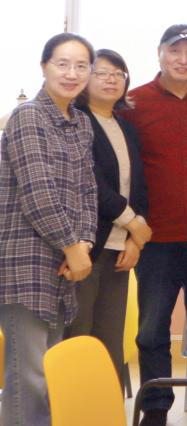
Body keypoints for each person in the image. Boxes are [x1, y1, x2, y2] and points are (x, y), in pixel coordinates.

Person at [121, 24, 187, 426]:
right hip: (155, 237)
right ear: (160, 53)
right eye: (175, 51)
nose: (183, 60)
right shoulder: (135, 102)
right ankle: (156, 407)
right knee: (153, 329)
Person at [0, 33, 97, 426]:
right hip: (26, 262)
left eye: (81, 66)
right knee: (29, 376)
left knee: (49, 368)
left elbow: (88, 190)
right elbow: (37, 192)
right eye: (62, 64)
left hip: (64, 262)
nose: (71, 73)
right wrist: (72, 246)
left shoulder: (81, 123)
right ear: (44, 66)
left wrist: (84, 244)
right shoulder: (28, 116)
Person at [68, 49, 151, 389]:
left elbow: (140, 185)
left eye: (118, 74)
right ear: (86, 79)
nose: (111, 80)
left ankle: (106, 410)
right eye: (101, 73)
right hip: (87, 244)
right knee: (79, 335)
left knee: (110, 339)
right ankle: (75, 410)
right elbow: (92, 183)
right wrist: (133, 223)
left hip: (119, 248)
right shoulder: (77, 121)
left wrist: (134, 240)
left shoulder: (125, 127)